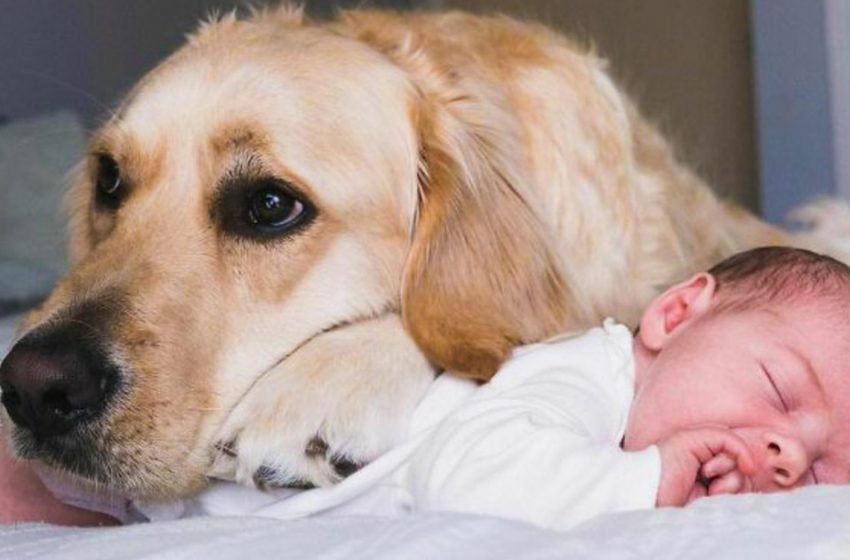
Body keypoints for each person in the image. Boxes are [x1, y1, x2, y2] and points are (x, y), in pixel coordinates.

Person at [4, 246, 850, 529]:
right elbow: (480, 481)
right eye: (778, 388)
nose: (786, 450)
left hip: (216, 492)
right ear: (674, 314)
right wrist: (650, 478)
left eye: (823, 466)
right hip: (210, 455)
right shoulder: (589, 373)